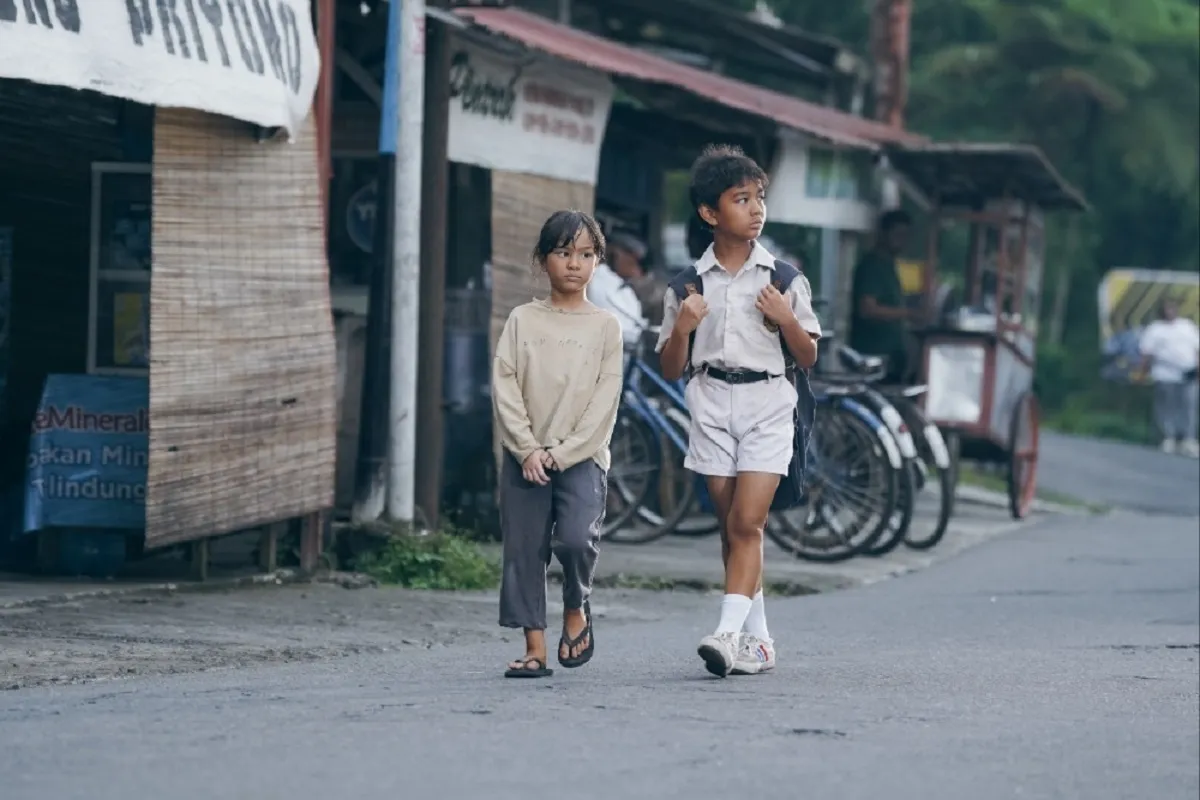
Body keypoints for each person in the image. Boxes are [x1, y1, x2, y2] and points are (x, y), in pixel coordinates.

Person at [657, 145, 821, 677]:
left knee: (749, 521)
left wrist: (785, 320)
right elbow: (669, 367)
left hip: (769, 403)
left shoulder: (784, 279)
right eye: (741, 199)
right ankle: (761, 641)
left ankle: (727, 635)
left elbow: (809, 355)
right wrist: (682, 328)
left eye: (760, 199)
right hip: (709, 402)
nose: (756, 210)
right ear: (710, 214)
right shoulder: (686, 285)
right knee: (732, 529)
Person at [492, 210, 625, 678]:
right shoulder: (522, 320)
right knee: (524, 550)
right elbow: (505, 387)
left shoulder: (606, 326)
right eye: (564, 252)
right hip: (524, 457)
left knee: (573, 540)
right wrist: (527, 449)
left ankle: (576, 605)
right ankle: (534, 647)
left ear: (597, 262)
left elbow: (605, 401)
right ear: (542, 259)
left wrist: (563, 453)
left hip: (583, 457)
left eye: (586, 254)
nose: (574, 263)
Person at [850, 209, 919, 382]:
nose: (902, 241)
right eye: (898, 234)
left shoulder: (889, 266)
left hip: (891, 357)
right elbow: (868, 309)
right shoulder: (872, 266)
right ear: (883, 234)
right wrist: (909, 313)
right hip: (873, 355)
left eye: (906, 236)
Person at [1139, 298, 1200, 457]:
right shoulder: (1155, 329)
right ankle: (1169, 437)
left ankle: (1188, 439)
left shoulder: (1187, 326)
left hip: (1188, 372)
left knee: (1189, 407)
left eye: (1173, 308)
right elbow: (1147, 354)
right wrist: (1142, 373)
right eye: (1167, 308)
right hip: (1165, 374)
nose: (1170, 311)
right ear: (1162, 311)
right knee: (1166, 407)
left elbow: (1196, 350)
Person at [587, 231, 647, 347]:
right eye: (633, 261)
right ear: (617, 255)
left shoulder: (627, 290)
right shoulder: (597, 280)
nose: (636, 269)